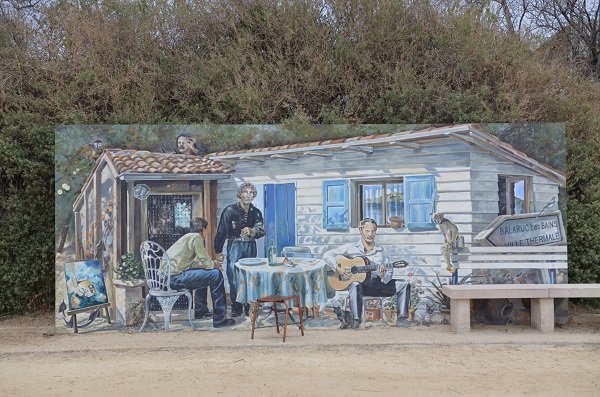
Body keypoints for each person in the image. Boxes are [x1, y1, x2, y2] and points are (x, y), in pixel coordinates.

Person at [323, 218, 413, 328]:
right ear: (361, 230)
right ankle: (356, 320)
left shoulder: (382, 251)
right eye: (367, 231)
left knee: (404, 285)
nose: (370, 234)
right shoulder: (350, 248)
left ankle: (402, 319)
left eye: (373, 231)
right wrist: (338, 268)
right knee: (355, 284)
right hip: (360, 288)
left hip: (379, 286)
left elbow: (389, 273)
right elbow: (327, 255)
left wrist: (383, 275)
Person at [166, 217, 235, 328]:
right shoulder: (196, 237)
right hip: (174, 278)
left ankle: (200, 310)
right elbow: (204, 258)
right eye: (206, 230)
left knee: (204, 273)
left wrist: (204, 266)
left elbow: (188, 262)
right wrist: (214, 264)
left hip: (166, 278)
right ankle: (219, 319)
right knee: (216, 275)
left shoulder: (187, 237)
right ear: (203, 229)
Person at [214, 182, 265, 317]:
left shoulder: (257, 213)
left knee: (249, 276)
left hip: (250, 246)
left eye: (251, 193)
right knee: (233, 276)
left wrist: (252, 230)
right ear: (239, 194)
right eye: (245, 192)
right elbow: (221, 231)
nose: (248, 195)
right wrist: (218, 251)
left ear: (254, 195)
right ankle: (236, 306)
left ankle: (249, 305)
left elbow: (261, 230)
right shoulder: (229, 210)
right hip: (234, 246)